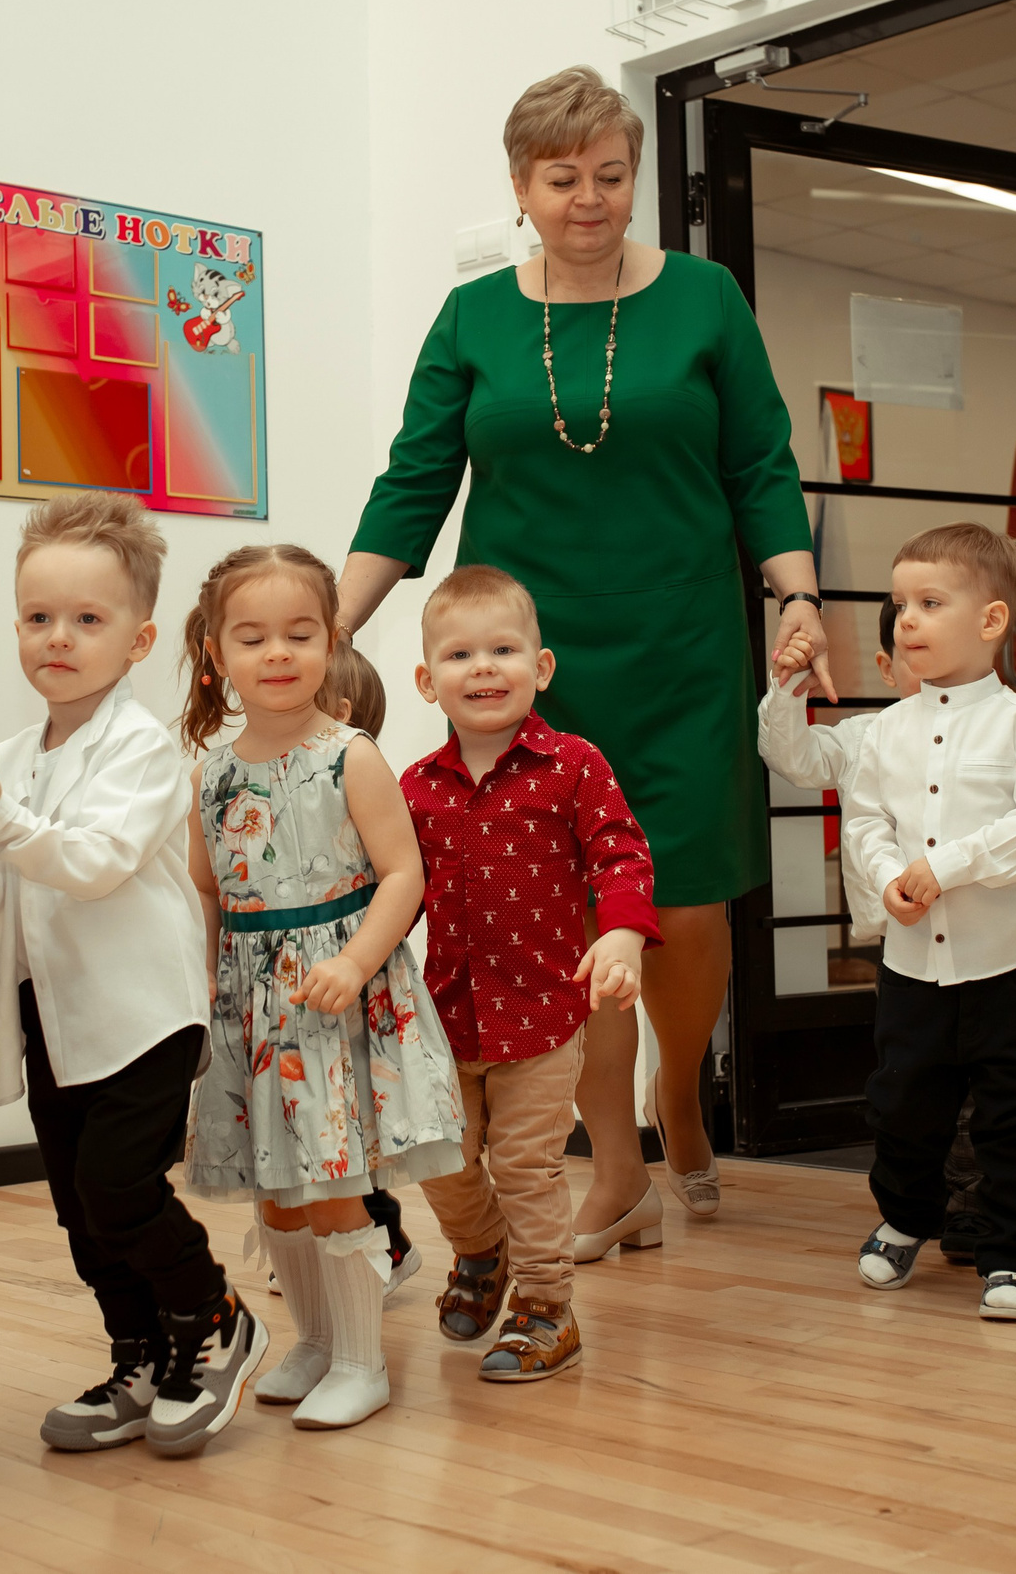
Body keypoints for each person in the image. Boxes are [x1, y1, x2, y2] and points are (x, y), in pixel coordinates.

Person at [340, 65, 835, 1243]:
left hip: (682, 641)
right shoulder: (473, 317)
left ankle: (682, 1090)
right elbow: (416, 480)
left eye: (611, 177)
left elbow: (759, 462)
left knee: (686, 898)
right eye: (563, 179)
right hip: (524, 654)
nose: (589, 200)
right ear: (521, 187)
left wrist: (796, 599)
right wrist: (331, 624)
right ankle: (614, 1165)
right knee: (565, 913)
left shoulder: (705, 298)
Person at [0, 492, 266, 1459]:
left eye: (87, 620)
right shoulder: (14, 758)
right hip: (50, 1020)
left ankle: (213, 1316)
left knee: (118, 1187)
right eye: (38, 617)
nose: (58, 637)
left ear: (140, 640)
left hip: (143, 1015)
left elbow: (93, 862)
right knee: (78, 1207)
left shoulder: (144, 749)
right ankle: (138, 1350)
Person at [177, 545, 464, 1430]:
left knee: (333, 1178)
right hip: (251, 1008)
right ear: (216, 653)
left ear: (330, 641)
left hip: (335, 997)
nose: (278, 653)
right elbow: (207, 892)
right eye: (253, 636)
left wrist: (354, 960)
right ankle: (311, 1338)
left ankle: (360, 1357)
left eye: (300, 633)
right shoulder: (212, 773)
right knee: (275, 1187)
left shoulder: (352, 755)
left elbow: (404, 874)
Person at [399, 565, 659, 1381]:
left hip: (541, 1017)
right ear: (426, 679)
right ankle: (481, 1254)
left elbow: (622, 852)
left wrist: (620, 932)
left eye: (503, 649)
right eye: (460, 654)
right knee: (439, 1156)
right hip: (444, 1017)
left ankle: (548, 1308)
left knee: (524, 1165)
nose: (483, 667)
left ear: (540, 668)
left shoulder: (573, 764)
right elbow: (389, 892)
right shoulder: (415, 787)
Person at [839, 524, 1016, 1320]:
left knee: (1015, 1114)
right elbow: (866, 821)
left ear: (990, 621)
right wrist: (887, 878)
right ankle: (907, 1217)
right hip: (914, 968)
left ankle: (1014, 1254)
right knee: (904, 1104)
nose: (906, 619)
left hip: (1009, 965)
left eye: (929, 602)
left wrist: (949, 866)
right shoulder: (883, 732)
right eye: (899, 602)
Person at [761, 603, 990, 1266]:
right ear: (887, 667)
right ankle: (916, 1204)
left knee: (981, 1084)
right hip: (906, 944)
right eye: (915, 658)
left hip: (985, 940)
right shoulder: (867, 738)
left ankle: (975, 1204)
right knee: (914, 1079)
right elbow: (794, 755)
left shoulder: (1003, 736)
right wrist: (789, 686)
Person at [313, 640, 422, 1299]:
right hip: (317, 980)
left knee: (353, 1123)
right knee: (333, 1122)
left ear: (342, 710)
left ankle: (384, 1241)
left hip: (355, 977)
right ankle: (342, 1237)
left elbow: (400, 883)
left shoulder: (358, 781)